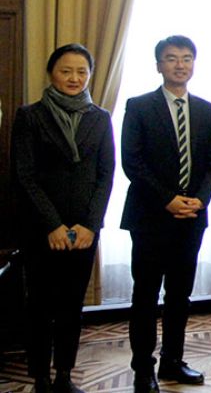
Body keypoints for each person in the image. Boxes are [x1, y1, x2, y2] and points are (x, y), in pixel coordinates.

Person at [121, 35, 211, 393]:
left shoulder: (207, 110)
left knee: (180, 295)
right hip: (151, 217)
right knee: (145, 295)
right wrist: (167, 199)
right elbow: (132, 162)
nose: (180, 65)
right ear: (158, 65)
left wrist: (200, 199)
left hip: (191, 218)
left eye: (187, 58)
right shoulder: (139, 106)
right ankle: (142, 369)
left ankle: (173, 362)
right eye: (171, 58)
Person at [13, 43, 114, 393]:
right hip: (43, 229)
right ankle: (40, 376)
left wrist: (90, 225)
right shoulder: (30, 116)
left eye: (82, 71)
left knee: (73, 305)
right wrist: (52, 225)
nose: (74, 78)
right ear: (51, 74)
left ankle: (64, 377)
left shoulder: (100, 118)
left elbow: (106, 175)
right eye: (66, 71)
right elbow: (23, 175)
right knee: (40, 305)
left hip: (84, 230)